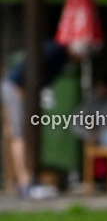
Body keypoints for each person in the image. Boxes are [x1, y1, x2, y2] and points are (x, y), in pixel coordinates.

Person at [1, 40, 73, 197]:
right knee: (19, 135)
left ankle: (31, 179)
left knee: (28, 135)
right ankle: (25, 182)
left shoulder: (61, 58)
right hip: (16, 88)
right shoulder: (54, 51)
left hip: (26, 92)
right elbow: (30, 64)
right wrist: (21, 88)